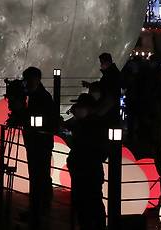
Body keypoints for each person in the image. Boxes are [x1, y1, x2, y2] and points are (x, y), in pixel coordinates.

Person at [65, 93, 108, 230]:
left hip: (86, 170)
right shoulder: (89, 124)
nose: (76, 110)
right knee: (91, 203)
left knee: (88, 204)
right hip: (87, 170)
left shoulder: (89, 126)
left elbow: (85, 146)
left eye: (79, 107)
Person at [21, 66, 56, 229]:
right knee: (37, 175)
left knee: (39, 175)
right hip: (35, 141)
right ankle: (39, 207)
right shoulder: (34, 96)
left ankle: (40, 208)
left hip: (40, 142)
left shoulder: (41, 97)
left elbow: (48, 119)